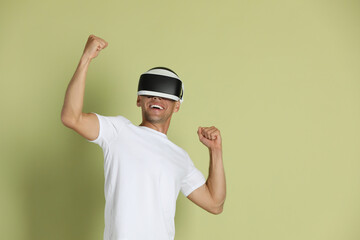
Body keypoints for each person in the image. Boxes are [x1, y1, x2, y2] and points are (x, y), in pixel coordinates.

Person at [61, 34, 226, 240]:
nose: (156, 97)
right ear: (139, 100)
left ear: (177, 105)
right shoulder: (118, 131)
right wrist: (86, 58)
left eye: (165, 94)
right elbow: (71, 117)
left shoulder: (179, 157)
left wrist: (215, 151)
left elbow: (215, 204)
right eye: (150, 93)